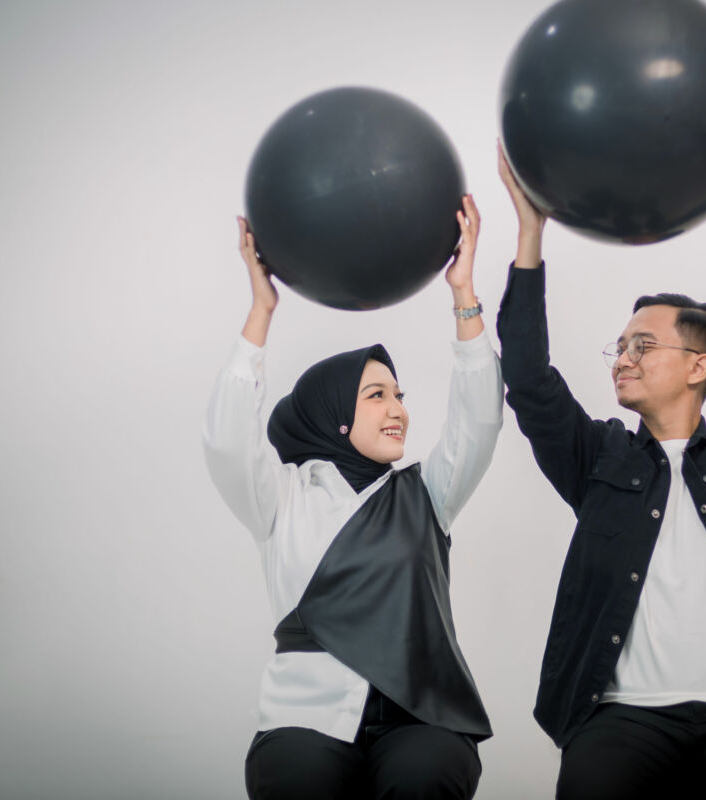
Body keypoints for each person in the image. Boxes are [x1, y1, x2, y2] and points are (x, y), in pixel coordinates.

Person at [495, 109, 706, 799]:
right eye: (621, 346)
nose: (622, 358)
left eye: (644, 346)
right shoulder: (598, 458)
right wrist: (530, 234)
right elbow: (529, 381)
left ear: (698, 366)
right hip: (623, 717)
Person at [203, 196, 503, 800]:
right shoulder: (283, 497)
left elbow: (479, 420)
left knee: (423, 780)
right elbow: (228, 440)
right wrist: (261, 310)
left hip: (422, 715)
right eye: (376, 396)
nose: (398, 409)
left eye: (399, 395)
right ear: (334, 415)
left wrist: (463, 294)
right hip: (305, 719)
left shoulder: (428, 492)